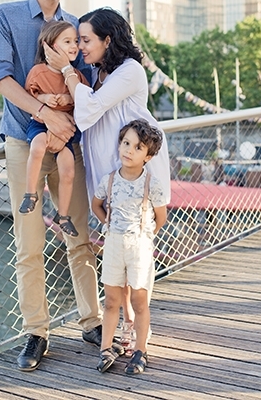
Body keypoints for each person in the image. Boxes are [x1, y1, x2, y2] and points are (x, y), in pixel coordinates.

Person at [0, 0, 104, 372]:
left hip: (70, 143)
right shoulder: (5, 16)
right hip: (25, 140)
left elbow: (89, 83)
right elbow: (0, 76)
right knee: (30, 244)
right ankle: (37, 332)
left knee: (79, 238)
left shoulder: (77, 27)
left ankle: (92, 322)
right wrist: (44, 113)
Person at [46, 7, 171, 355]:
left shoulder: (129, 71)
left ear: (107, 40)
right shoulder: (99, 73)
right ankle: (126, 332)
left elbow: (88, 111)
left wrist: (68, 70)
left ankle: (137, 338)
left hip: (136, 176)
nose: (81, 46)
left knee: (137, 263)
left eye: (87, 40)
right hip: (111, 178)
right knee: (117, 261)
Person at [91, 119, 167, 374]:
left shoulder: (151, 184)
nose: (129, 151)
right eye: (126, 143)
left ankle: (140, 350)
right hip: (113, 244)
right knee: (112, 300)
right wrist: (109, 224)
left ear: (148, 155)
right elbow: (96, 205)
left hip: (140, 248)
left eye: (137, 147)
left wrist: (145, 235)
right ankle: (105, 348)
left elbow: (161, 216)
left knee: (139, 301)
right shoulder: (109, 180)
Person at [18, 21, 90, 238]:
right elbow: (30, 96)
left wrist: (68, 97)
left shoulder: (75, 74)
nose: (74, 46)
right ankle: (30, 193)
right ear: (49, 46)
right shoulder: (38, 72)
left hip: (66, 129)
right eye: (67, 42)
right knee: (38, 147)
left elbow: (83, 99)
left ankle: (63, 215)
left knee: (68, 170)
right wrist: (46, 98)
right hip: (40, 123)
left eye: (76, 41)